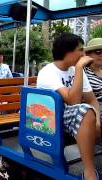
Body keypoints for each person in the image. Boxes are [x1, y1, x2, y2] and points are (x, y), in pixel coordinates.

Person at [37, 33, 101, 180]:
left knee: (89, 111)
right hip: (51, 117)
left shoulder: (75, 70)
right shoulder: (47, 72)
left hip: (73, 116)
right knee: (84, 110)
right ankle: (90, 172)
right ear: (68, 51)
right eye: (80, 49)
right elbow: (73, 102)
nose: (84, 54)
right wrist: (79, 68)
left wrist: (97, 119)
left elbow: (92, 100)